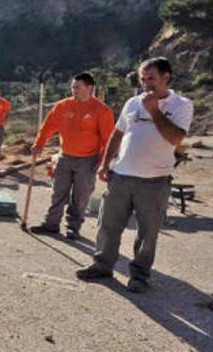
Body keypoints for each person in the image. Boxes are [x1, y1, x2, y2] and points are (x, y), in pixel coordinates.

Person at [76, 58, 193, 293]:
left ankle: (139, 276)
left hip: (154, 182)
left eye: (151, 78)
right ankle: (103, 265)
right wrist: (105, 163)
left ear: (166, 78)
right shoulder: (132, 103)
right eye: (142, 78)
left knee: (147, 233)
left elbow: (176, 139)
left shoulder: (181, 105)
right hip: (121, 175)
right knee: (108, 225)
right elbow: (118, 135)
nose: (145, 83)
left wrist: (154, 111)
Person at [29, 73, 115, 240]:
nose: (73, 90)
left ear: (89, 88)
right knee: (58, 192)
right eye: (72, 87)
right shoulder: (63, 106)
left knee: (80, 196)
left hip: (88, 160)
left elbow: (109, 139)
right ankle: (51, 224)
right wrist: (39, 144)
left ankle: (73, 228)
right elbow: (47, 126)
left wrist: (103, 161)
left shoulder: (102, 110)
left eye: (77, 87)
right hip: (65, 157)